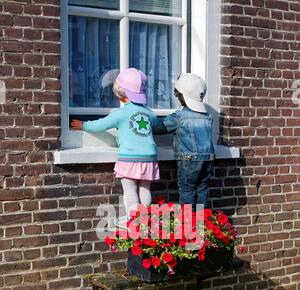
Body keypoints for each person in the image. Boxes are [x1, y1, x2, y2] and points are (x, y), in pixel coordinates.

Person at [71, 68, 160, 228]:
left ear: (120, 92)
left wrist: (84, 125)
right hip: (149, 158)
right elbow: (160, 127)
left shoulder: (121, 113)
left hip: (130, 158)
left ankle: (133, 221)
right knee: (145, 189)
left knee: (130, 190)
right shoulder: (150, 114)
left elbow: (101, 124)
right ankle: (146, 218)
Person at [153, 73, 215, 209]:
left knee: (187, 189)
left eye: (178, 93)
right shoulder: (208, 117)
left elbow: (159, 128)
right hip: (208, 159)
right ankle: (200, 223)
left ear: (183, 96)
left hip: (189, 160)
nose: (176, 96)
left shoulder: (180, 117)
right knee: (202, 188)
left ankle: (188, 225)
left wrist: (148, 118)